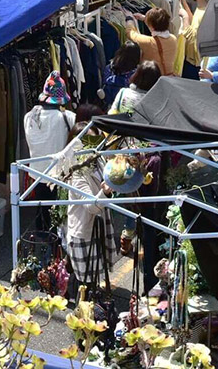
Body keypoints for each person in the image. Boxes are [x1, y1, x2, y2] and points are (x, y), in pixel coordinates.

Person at [64, 122, 117, 288]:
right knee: (85, 281)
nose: (91, 146)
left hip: (97, 225)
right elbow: (91, 206)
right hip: (83, 231)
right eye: (86, 142)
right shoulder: (76, 172)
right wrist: (106, 192)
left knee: (90, 274)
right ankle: (79, 305)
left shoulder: (97, 159)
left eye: (94, 140)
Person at [127, 7, 178, 77]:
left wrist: (129, 19)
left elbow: (130, 33)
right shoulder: (173, 39)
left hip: (152, 80)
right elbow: (157, 23)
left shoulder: (148, 42)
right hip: (167, 78)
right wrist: (145, 18)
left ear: (151, 25)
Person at [179, 0, 212, 79]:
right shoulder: (203, 7)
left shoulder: (203, 12)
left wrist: (184, 17)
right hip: (195, 61)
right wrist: (184, 4)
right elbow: (194, 23)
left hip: (194, 63)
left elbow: (192, 35)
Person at [102, 41, 140, 105]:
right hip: (128, 106)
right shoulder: (137, 72)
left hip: (109, 106)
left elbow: (104, 84)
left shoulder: (109, 68)